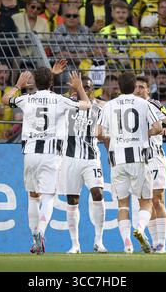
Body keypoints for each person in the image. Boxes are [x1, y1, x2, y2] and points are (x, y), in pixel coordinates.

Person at [2, 68, 91, 255]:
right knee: (49, 196)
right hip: (51, 153)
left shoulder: (26, 98)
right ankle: (40, 232)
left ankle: (34, 237)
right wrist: (79, 87)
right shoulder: (60, 99)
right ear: (51, 83)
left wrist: (18, 85)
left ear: (33, 82)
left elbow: (4, 100)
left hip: (30, 152)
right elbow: (86, 104)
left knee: (33, 196)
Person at [97, 72, 163, 253]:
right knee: (145, 202)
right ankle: (140, 229)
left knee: (122, 204)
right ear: (134, 86)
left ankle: (127, 244)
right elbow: (158, 127)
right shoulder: (144, 104)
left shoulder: (109, 105)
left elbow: (98, 133)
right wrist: (143, 134)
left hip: (117, 159)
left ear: (118, 86)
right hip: (139, 158)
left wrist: (115, 137)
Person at [58, 76, 107, 254]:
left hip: (91, 157)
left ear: (92, 89)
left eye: (86, 87)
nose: (83, 90)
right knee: (72, 200)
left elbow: (103, 133)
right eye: (80, 87)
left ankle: (99, 241)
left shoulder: (100, 108)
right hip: (70, 158)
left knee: (98, 193)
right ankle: (75, 245)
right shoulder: (66, 105)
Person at [134, 76, 166, 253]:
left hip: (155, 157)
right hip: (139, 159)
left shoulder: (154, 105)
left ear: (148, 89)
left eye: (142, 87)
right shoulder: (130, 105)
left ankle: (161, 244)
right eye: (136, 87)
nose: (138, 90)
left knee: (157, 199)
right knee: (146, 201)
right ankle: (154, 243)